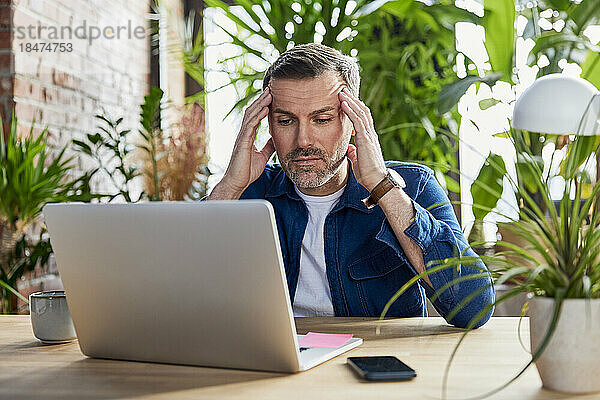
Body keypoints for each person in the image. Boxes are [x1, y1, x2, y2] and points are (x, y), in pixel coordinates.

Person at [207, 43, 494, 328]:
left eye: (321, 119)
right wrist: (230, 186)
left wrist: (381, 186)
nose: (303, 140)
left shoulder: (413, 185)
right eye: (285, 121)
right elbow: (170, 297)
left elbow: (472, 308)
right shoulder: (247, 193)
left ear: (355, 122)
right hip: (272, 361)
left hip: (375, 360)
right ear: (267, 125)